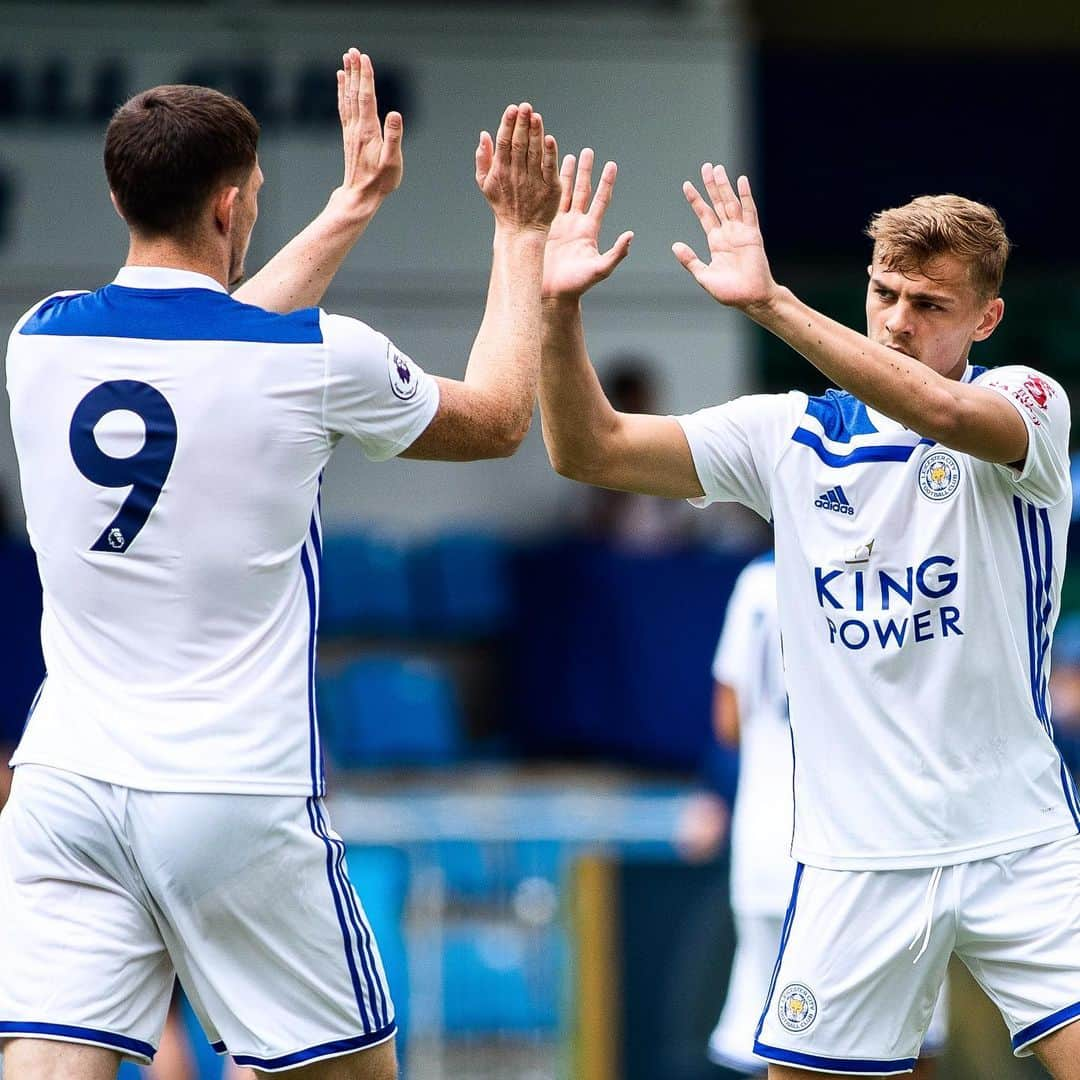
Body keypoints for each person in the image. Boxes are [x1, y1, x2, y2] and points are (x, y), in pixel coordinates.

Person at [0, 48, 560, 1080]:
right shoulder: (314, 357)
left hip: (64, 786)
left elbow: (209, 338)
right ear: (228, 207)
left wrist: (352, 207)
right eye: (254, 193)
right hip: (231, 793)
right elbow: (498, 419)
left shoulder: (38, 341)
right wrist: (520, 233)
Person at [537, 149, 1078, 1077]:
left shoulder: (1025, 403)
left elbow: (943, 415)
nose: (897, 322)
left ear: (986, 318)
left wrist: (770, 305)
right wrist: (553, 309)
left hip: (1019, 839)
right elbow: (590, 450)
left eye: (929, 306)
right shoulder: (787, 437)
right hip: (853, 861)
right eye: (883, 294)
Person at [685, 552, 946, 1078]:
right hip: (868, 851)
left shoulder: (757, 579)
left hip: (767, 849)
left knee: (778, 1045)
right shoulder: (898, 570)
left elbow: (728, 722)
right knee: (905, 1046)